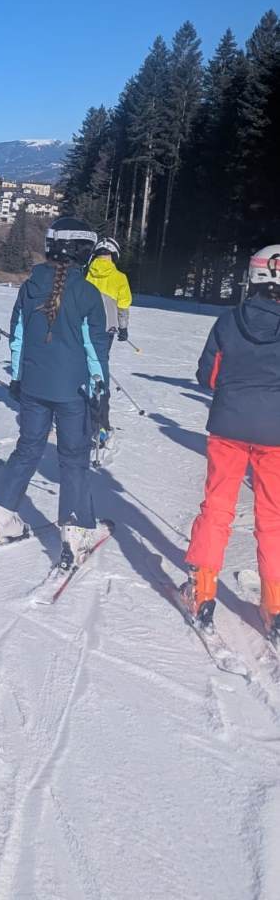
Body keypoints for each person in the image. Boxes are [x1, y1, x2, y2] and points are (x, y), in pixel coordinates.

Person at [0, 216, 110, 569]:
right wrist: (101, 395)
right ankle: (75, 532)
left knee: (27, 449)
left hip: (34, 386)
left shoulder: (29, 286)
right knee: (73, 458)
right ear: (84, 251)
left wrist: (18, 377)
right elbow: (95, 351)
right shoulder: (88, 294)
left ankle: (0, 517)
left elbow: (18, 335)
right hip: (73, 392)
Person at [182, 242, 280, 636]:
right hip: (275, 434)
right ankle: (275, 602)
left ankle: (203, 590)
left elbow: (208, 377)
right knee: (273, 516)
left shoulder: (228, 321)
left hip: (228, 429)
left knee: (218, 507)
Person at [86, 236, 132, 440]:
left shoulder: (86, 273)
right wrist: (123, 328)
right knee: (100, 370)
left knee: (84, 367)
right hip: (106, 330)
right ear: (114, 255)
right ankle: (101, 424)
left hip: (84, 328)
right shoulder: (120, 277)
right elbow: (123, 305)